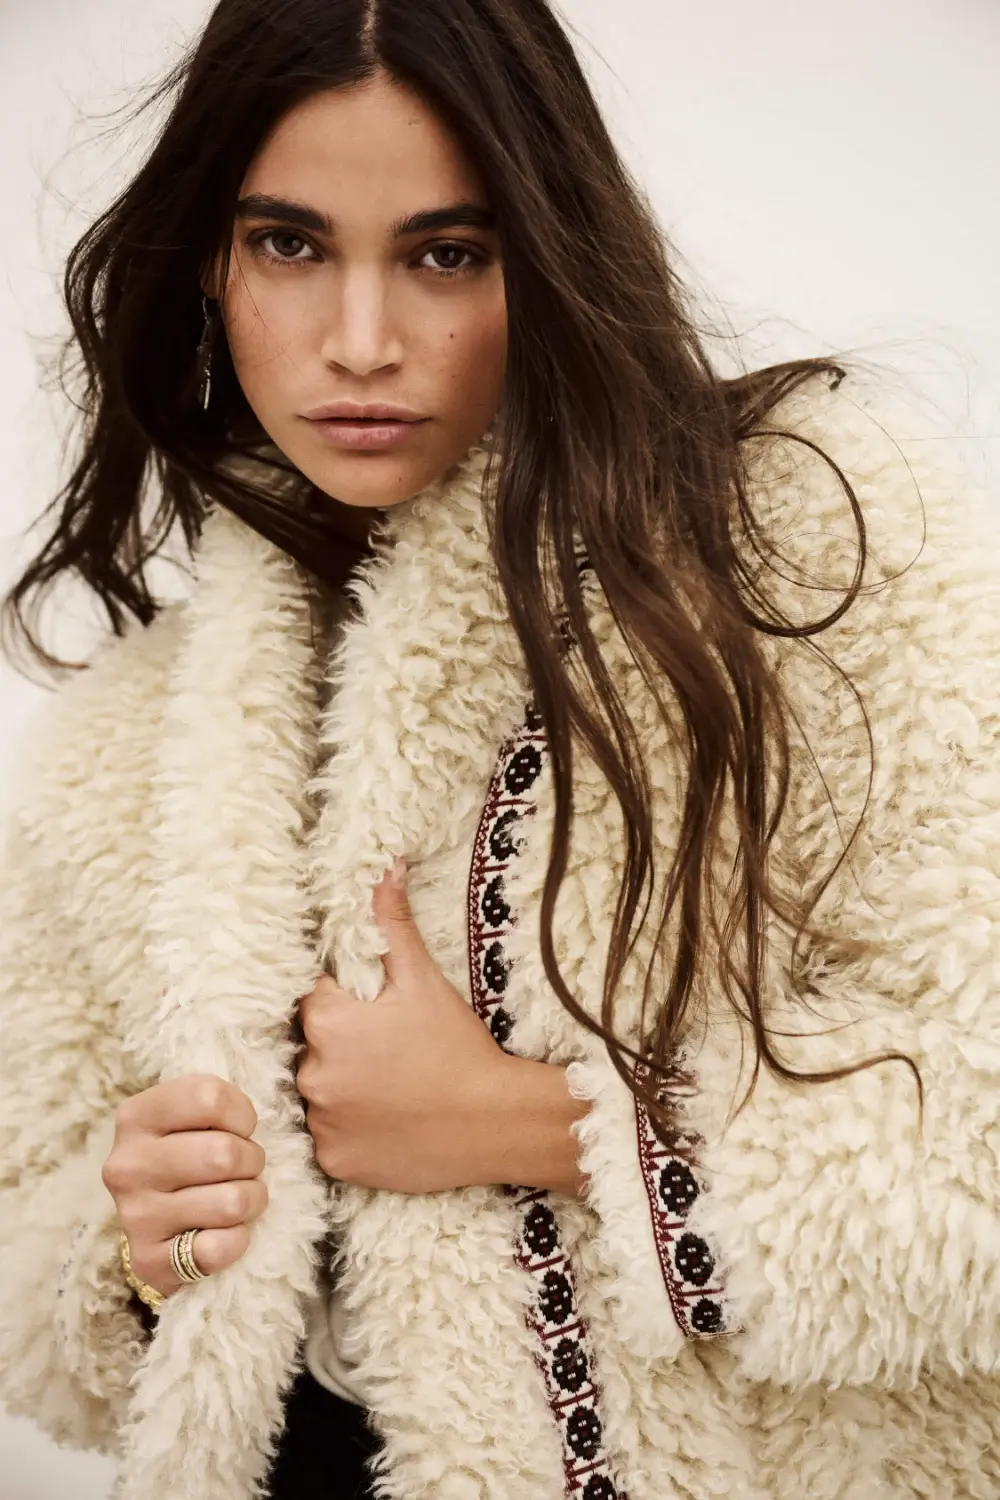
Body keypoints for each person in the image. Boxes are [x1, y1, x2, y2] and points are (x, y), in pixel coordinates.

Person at [0, 1, 998, 1498]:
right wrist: (137, 1247)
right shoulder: (121, 746)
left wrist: (532, 1128)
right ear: (208, 262)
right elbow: (35, 1272)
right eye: (289, 243)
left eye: (446, 254)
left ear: (548, 250)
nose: (361, 341)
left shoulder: (810, 556)